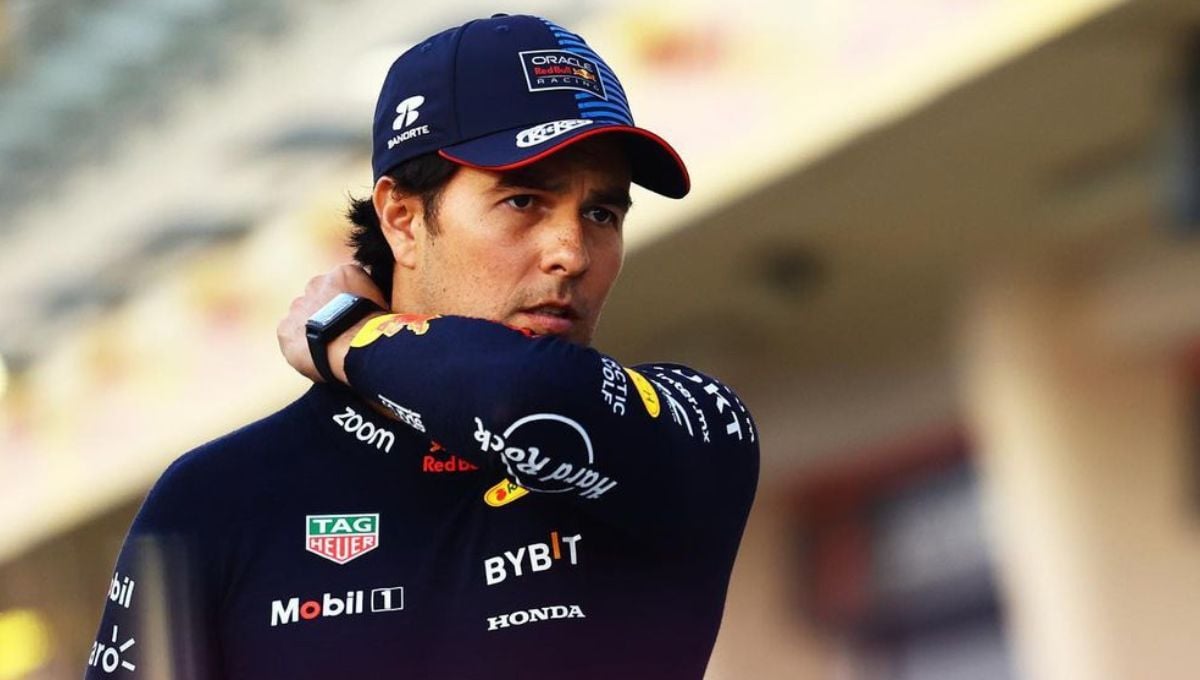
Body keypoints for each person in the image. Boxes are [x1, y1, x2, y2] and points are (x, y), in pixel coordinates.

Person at [86, 13, 758, 680]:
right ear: (403, 220)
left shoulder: (688, 434)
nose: (572, 253)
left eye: (601, 213)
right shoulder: (215, 500)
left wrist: (347, 332)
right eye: (524, 201)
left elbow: (529, 401)